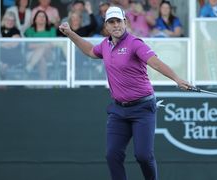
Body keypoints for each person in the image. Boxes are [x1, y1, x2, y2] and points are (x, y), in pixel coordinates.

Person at [59, 6, 191, 180]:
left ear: (125, 22)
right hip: (119, 111)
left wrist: (177, 78)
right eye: (111, 22)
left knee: (143, 156)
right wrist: (70, 33)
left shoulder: (135, 43)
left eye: (118, 21)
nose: (116, 26)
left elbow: (155, 63)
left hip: (143, 108)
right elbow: (90, 50)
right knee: (112, 155)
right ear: (106, 25)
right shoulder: (105, 45)